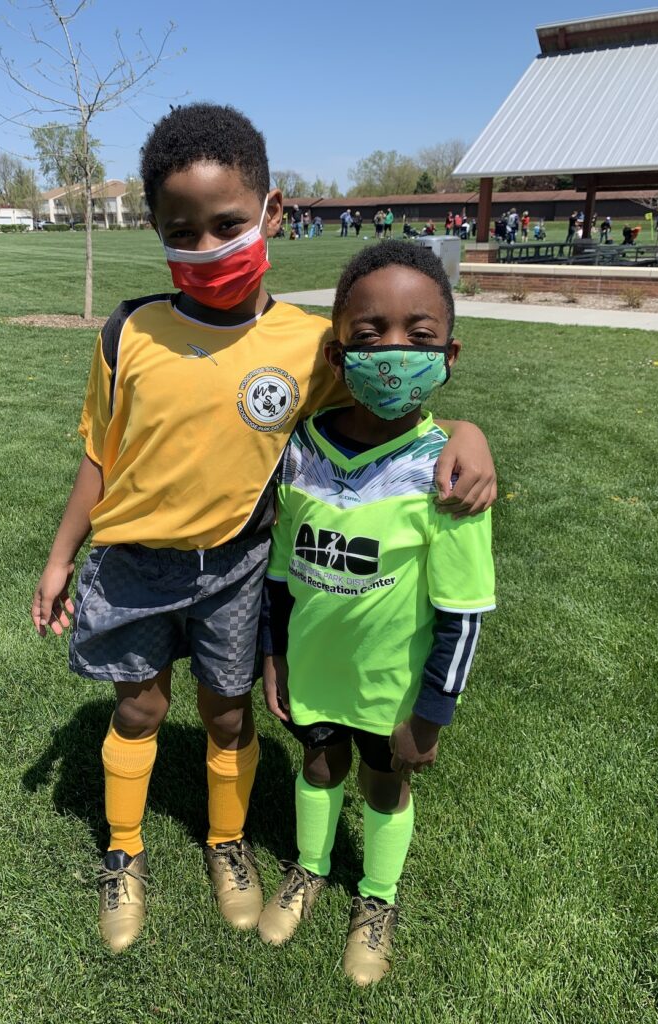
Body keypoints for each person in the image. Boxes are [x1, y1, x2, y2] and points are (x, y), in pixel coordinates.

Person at [30, 102, 499, 956]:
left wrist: (469, 434)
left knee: (226, 713)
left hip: (239, 566)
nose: (208, 248)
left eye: (229, 224)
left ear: (272, 213)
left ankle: (226, 842)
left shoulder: (309, 342)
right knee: (137, 708)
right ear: (156, 230)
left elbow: (393, 397)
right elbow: (99, 456)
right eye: (184, 231)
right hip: (130, 563)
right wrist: (62, 556)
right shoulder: (126, 333)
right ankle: (124, 851)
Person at [257, 241, 495, 985]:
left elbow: (464, 610)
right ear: (337, 353)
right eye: (370, 335)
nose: (394, 351)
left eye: (419, 337)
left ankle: (379, 899)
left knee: (386, 784)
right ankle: (309, 869)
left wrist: (433, 711)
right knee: (318, 762)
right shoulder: (299, 450)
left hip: (394, 687)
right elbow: (279, 572)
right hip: (316, 670)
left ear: (449, 353)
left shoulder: (448, 474)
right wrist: (277, 653)